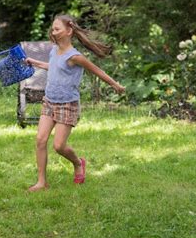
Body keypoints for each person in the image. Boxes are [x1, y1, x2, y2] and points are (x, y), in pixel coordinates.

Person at [25, 14, 125, 192]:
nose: (53, 32)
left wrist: (115, 85)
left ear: (69, 31)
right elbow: (54, 66)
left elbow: (97, 70)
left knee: (59, 146)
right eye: (53, 28)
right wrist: (35, 62)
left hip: (67, 104)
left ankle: (78, 163)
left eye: (57, 29)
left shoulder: (75, 56)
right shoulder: (54, 50)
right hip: (49, 101)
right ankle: (41, 182)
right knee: (40, 140)